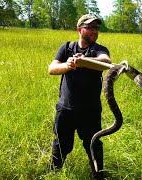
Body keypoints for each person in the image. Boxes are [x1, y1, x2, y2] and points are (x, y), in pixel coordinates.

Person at [48, 14, 111, 179]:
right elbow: (52, 68)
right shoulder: (67, 48)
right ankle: (53, 174)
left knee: (93, 145)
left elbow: (105, 62)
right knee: (61, 145)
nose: (95, 31)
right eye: (90, 27)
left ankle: (99, 176)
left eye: (96, 28)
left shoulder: (98, 50)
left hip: (90, 111)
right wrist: (67, 65)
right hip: (65, 109)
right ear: (79, 29)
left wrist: (84, 60)